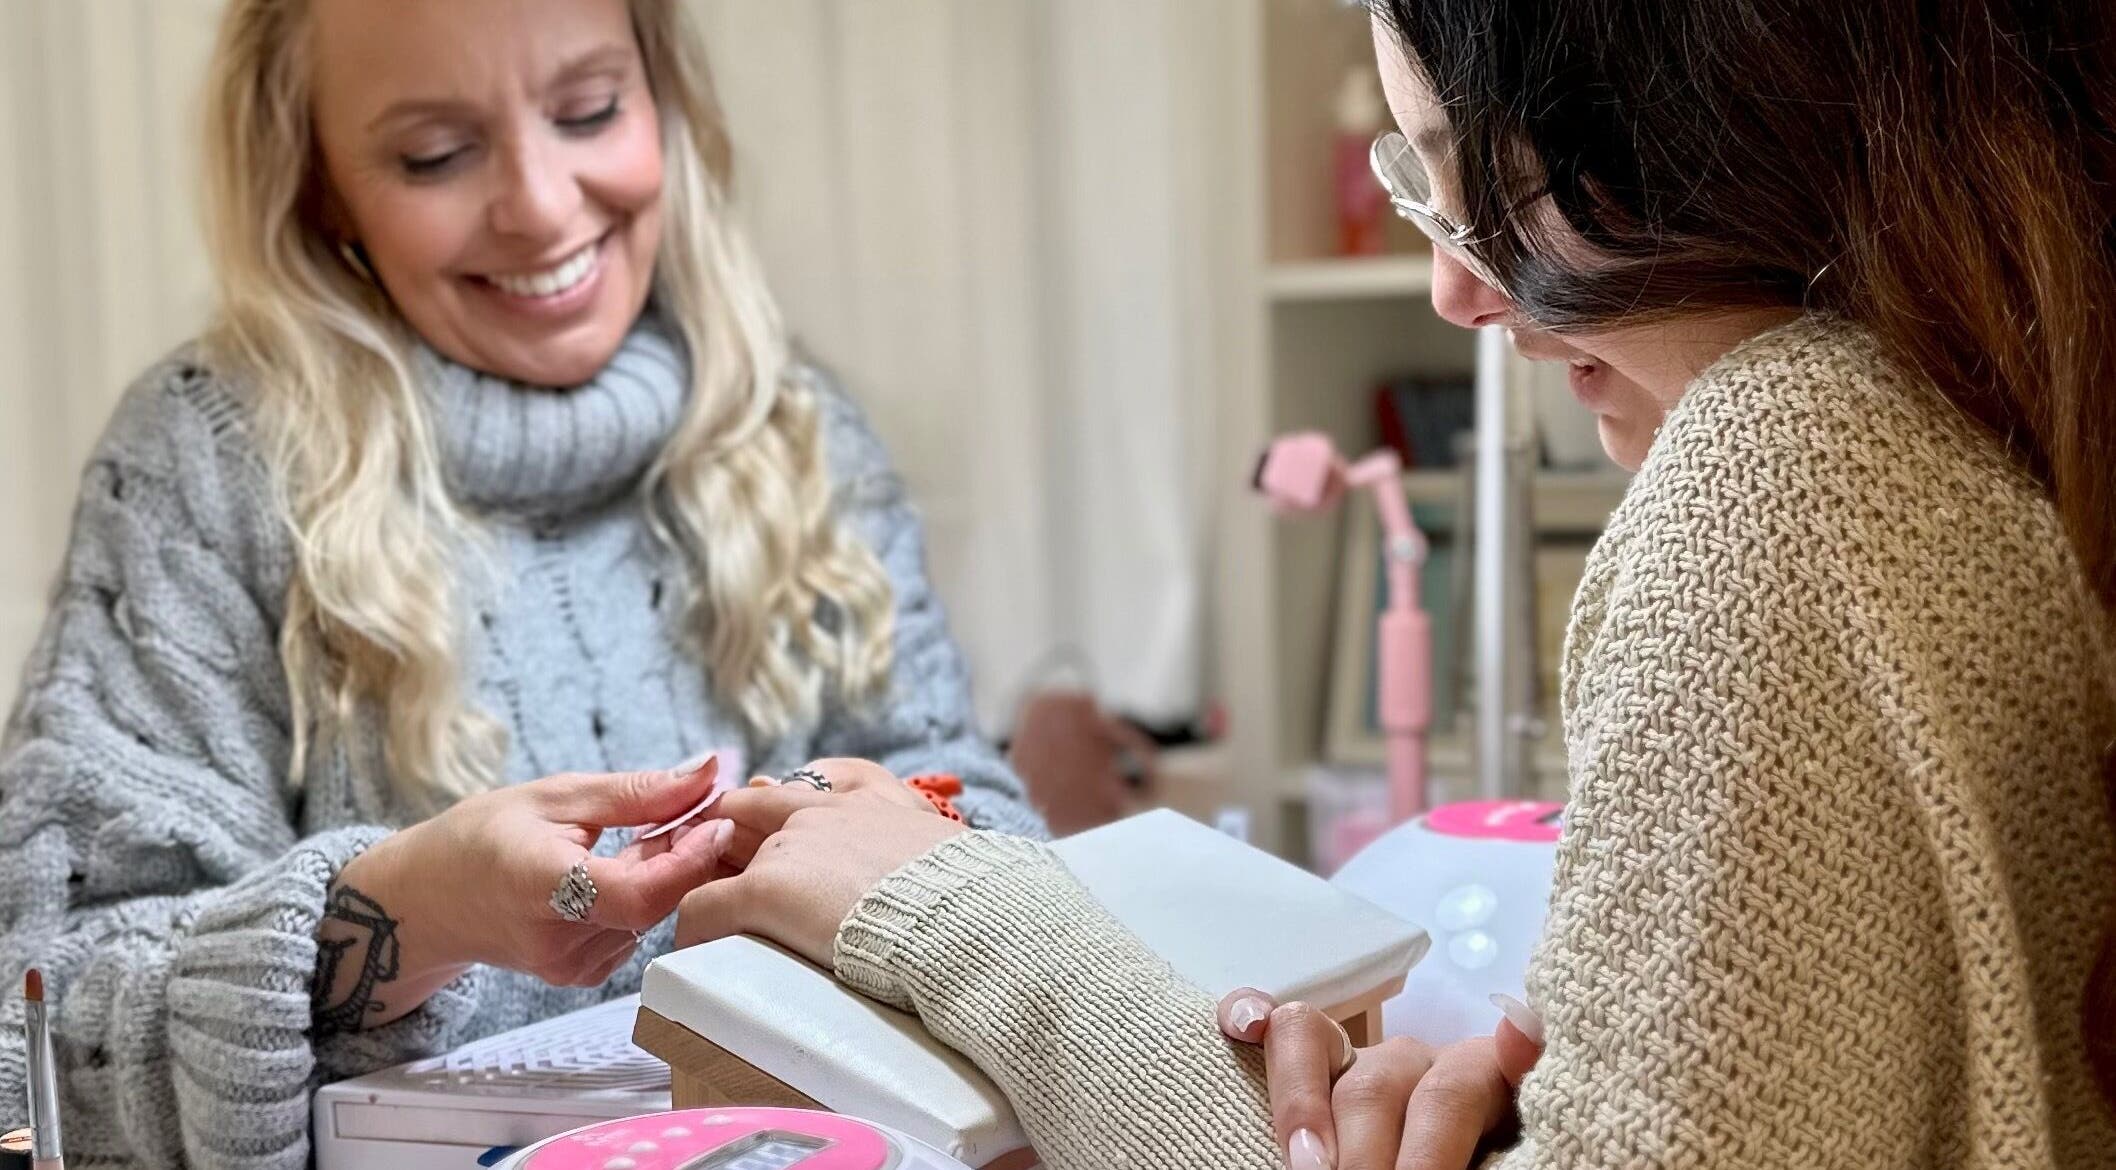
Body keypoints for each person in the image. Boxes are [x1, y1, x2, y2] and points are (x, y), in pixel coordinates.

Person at [676, 0, 2116, 1167]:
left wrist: (967, 923)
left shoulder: (1793, 471)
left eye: (1479, 174)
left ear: (1696, 105)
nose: (1456, 288)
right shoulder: (2018, 409)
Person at [0, 2, 1039, 1167]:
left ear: (664, 98)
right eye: (435, 155)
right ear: (320, 187)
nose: (542, 206)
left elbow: (989, 829)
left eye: (590, 110)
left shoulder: (797, 433)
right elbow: (33, 1037)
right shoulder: (205, 466)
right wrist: (404, 913)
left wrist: (890, 857)